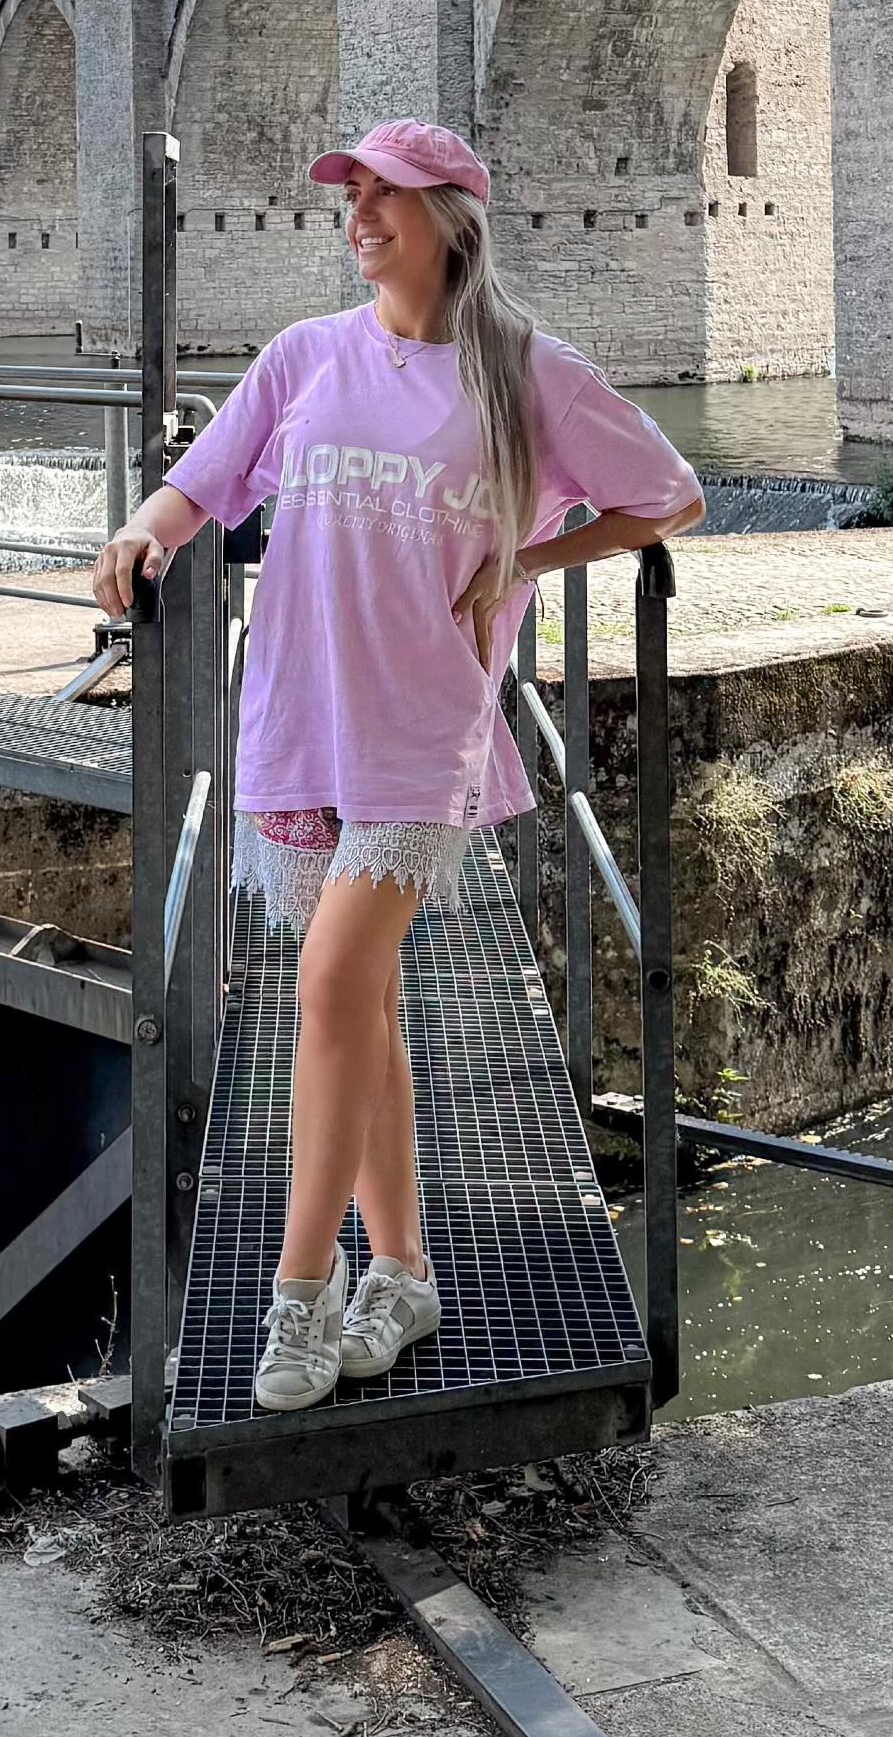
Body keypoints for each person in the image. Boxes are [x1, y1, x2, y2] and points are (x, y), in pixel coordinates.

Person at [93, 118, 703, 1413]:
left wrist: (533, 561)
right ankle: (406, 1271)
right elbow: (198, 490)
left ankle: (299, 1299)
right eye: (353, 195)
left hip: (424, 735)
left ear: (450, 218)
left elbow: (671, 493)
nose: (359, 214)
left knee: (326, 990)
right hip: (296, 723)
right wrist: (139, 535)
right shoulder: (305, 357)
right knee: (357, 1004)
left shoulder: (527, 376)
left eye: (386, 196)